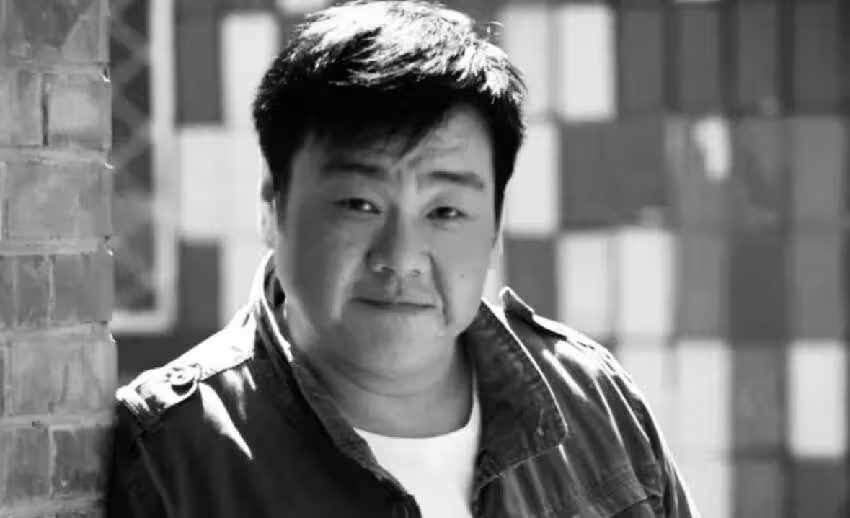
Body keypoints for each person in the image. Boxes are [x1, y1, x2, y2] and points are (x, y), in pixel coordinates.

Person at [105, 1, 699, 516]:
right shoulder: (170, 453)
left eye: (446, 212)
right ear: (272, 203)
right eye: (360, 204)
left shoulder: (594, 403)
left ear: (495, 225)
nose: (401, 257)